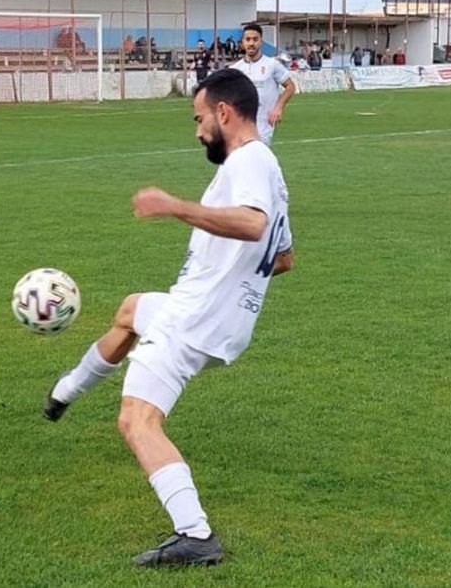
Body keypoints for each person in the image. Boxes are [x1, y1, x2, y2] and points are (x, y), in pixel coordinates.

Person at [43, 68, 294, 567]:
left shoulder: (248, 161)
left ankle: (195, 535)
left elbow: (252, 224)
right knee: (132, 310)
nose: (198, 129)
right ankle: (64, 392)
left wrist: (174, 207)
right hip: (213, 316)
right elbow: (283, 256)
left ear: (223, 113)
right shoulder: (268, 167)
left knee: (137, 420)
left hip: (194, 319)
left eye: (199, 118)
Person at [230, 24, 296, 146]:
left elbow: (290, 86)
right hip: (240, 127)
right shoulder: (235, 69)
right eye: (248, 39)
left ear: (261, 42)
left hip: (263, 127)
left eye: (255, 39)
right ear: (242, 42)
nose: (251, 43)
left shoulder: (272, 65)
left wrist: (278, 107)